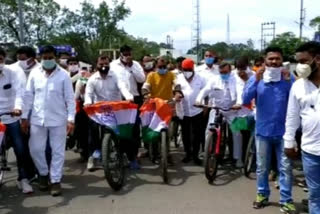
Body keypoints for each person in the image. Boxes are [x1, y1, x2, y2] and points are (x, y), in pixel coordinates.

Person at [242, 46, 297, 213]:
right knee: (262, 167)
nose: (274, 62)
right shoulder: (256, 78)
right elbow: (245, 99)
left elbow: (297, 100)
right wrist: (256, 80)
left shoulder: (289, 79)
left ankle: (286, 200)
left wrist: (288, 82)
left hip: (284, 132)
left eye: (277, 59)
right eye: (271, 59)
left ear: (282, 61)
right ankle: (262, 194)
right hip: (263, 132)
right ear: (264, 61)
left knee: (285, 167)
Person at [21, 45, 76, 197]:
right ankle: (44, 174)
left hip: (58, 120)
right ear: (40, 58)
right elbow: (28, 96)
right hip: (38, 119)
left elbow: (70, 99)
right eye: (44, 58)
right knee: (36, 149)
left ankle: (56, 181)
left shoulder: (63, 75)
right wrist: (24, 117)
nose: (47, 60)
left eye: (50, 57)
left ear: (56, 57)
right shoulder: (34, 73)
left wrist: (71, 119)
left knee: (58, 152)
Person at [284, 41, 320, 214]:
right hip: (311, 151)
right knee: (315, 195)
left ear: (317, 59)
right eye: (298, 61)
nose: (300, 66)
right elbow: (292, 116)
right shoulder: (298, 86)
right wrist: (289, 142)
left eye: (304, 61)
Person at [85, 55, 134, 170]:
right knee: (93, 130)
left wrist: (128, 97)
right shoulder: (92, 79)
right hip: (99, 110)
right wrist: (87, 102)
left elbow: (123, 87)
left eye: (106, 64)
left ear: (109, 64)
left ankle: (124, 155)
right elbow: (88, 93)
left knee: (124, 131)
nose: (103, 66)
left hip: (115, 108)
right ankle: (93, 156)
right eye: (101, 64)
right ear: (97, 65)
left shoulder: (115, 76)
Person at [195, 62, 243, 166]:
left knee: (237, 133)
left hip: (231, 110)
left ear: (230, 71)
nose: (223, 74)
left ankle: (237, 158)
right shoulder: (214, 79)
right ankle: (208, 152)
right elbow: (205, 90)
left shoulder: (236, 80)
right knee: (209, 130)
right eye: (221, 72)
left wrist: (239, 103)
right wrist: (198, 100)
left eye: (225, 72)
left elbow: (240, 92)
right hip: (216, 109)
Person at [0, 48, 34, 194]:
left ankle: (23, 179)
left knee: (20, 149)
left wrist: (18, 108)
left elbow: (20, 92)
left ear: (4, 58)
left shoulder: (14, 72)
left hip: (12, 116)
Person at [110, 45, 145, 169]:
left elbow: (142, 79)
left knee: (134, 129)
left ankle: (133, 157)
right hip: (119, 100)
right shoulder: (113, 65)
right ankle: (120, 155)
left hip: (134, 99)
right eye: (125, 54)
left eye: (129, 54)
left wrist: (131, 68)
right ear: (120, 54)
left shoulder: (135, 65)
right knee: (120, 129)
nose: (127, 56)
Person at [177, 59, 206, 165]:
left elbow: (205, 93)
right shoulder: (179, 78)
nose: (187, 72)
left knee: (197, 135)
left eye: (189, 69)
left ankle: (195, 155)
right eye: (185, 70)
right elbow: (176, 90)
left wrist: (205, 108)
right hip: (183, 111)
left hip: (197, 111)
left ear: (193, 68)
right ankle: (188, 154)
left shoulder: (200, 79)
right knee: (185, 134)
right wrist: (177, 95)